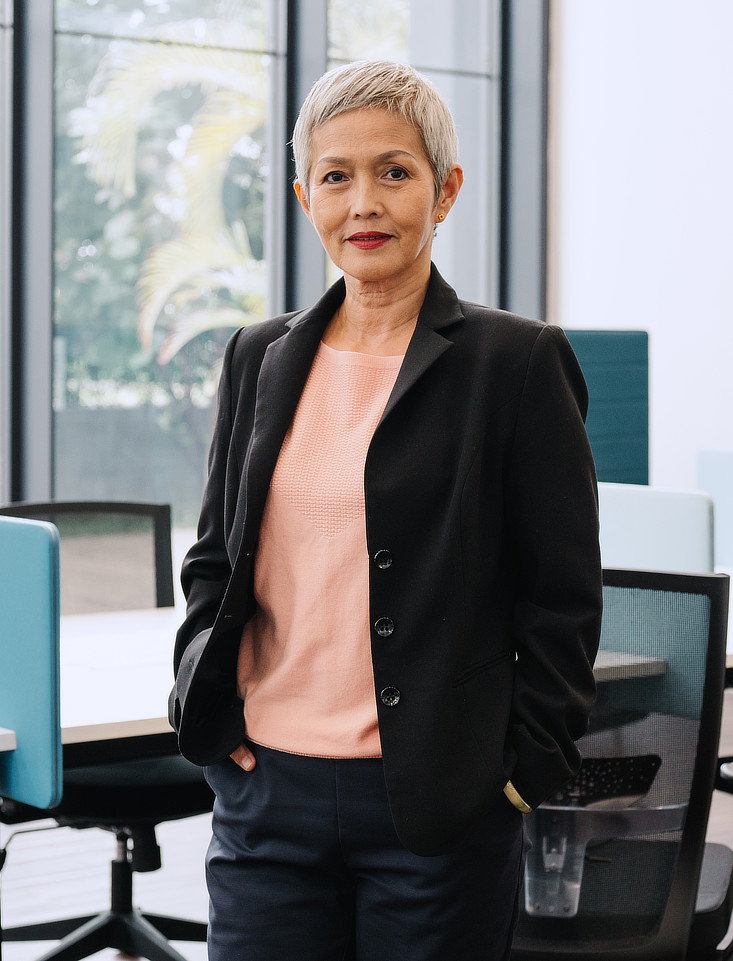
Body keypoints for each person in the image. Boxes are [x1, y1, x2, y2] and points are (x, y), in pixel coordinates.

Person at [169, 59, 602, 961]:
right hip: (266, 794)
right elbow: (216, 556)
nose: (363, 201)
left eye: (393, 172)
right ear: (304, 197)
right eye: (336, 176)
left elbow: (561, 592)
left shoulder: (513, 364)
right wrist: (201, 704)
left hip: (435, 805)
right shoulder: (258, 355)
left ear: (444, 191)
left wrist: (519, 774)